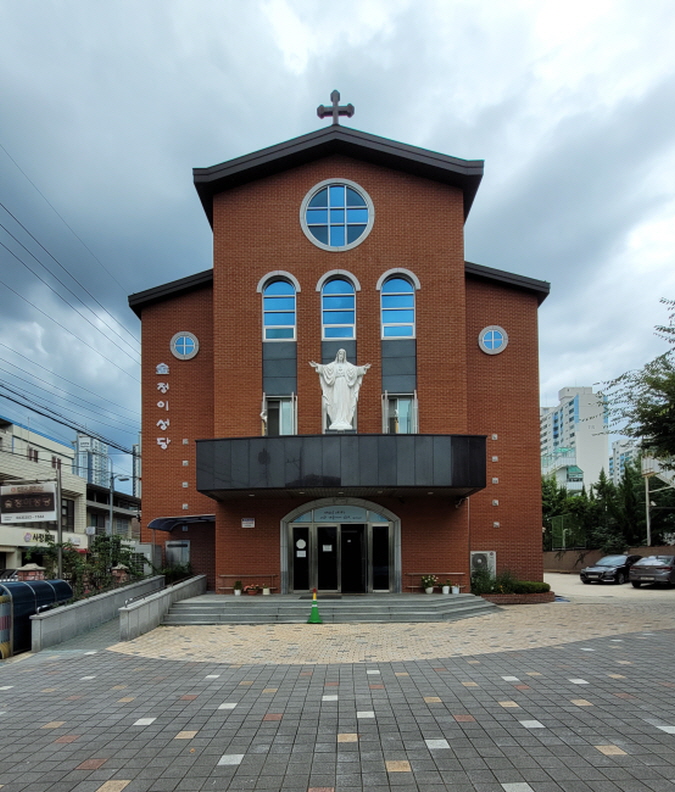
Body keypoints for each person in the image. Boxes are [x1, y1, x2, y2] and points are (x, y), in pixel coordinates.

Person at [309, 349, 371, 430]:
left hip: (345, 386)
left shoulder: (348, 366)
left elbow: (356, 370)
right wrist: (317, 366)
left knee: (345, 402)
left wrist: (363, 368)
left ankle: (344, 420)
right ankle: (336, 420)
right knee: (336, 402)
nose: (341, 356)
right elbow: (325, 369)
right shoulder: (333, 365)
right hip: (337, 385)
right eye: (340, 354)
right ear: (337, 355)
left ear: (344, 356)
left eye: (342, 354)